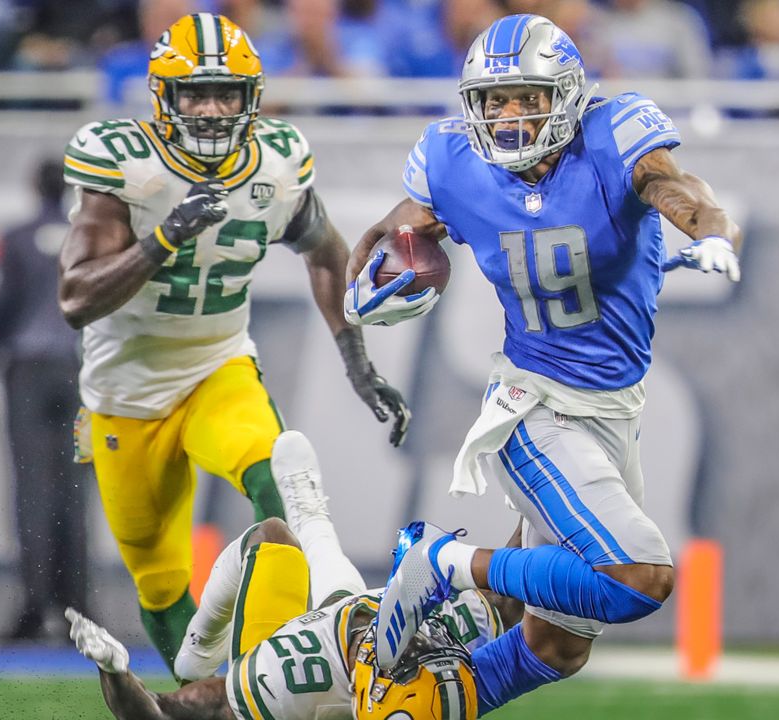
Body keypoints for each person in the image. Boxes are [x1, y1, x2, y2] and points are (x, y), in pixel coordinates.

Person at [344, 12, 741, 699]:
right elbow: (388, 236)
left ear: (566, 95)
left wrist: (712, 231)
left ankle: (425, 708)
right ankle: (441, 561)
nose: (510, 116)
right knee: (640, 577)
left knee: (556, 647)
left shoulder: (615, 135)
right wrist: (372, 283)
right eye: (495, 101)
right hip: (537, 406)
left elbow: (679, 187)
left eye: (528, 98)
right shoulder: (452, 163)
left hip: (614, 410)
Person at [58, 12, 409, 673]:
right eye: (196, 94)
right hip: (124, 396)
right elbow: (75, 298)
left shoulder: (276, 161)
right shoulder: (121, 163)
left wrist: (356, 360)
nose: (214, 110)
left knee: (278, 478)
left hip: (218, 367)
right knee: (160, 583)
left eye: (227, 94)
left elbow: (327, 253)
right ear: (164, 98)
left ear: (253, 97)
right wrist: (163, 238)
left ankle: (268, 673)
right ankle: (206, 692)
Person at [64, 432, 522, 719]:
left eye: (408, 659)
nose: (422, 645)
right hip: (329, 639)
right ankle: (201, 647)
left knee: (274, 537)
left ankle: (311, 523)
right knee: (278, 537)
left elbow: (158, 714)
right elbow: (511, 591)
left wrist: (114, 670)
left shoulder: (287, 681)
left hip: (305, 681)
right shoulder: (434, 634)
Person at [0, 158, 87, 640]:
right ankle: (80, 605)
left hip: (27, 374)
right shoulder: (87, 239)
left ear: (33, 187)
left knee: (32, 491)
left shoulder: (13, 239)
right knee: (76, 492)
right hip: (77, 374)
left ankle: (34, 604)